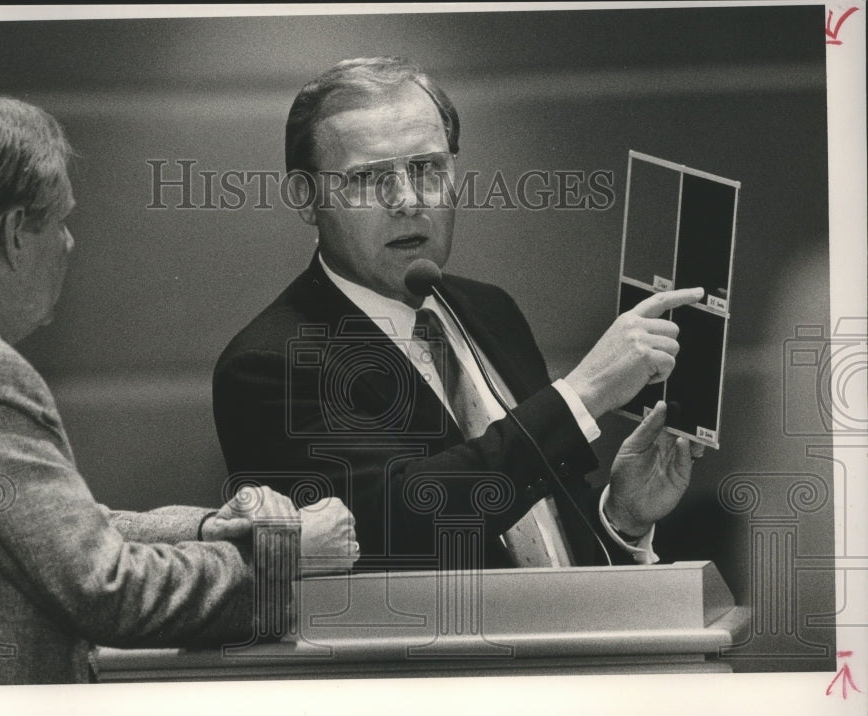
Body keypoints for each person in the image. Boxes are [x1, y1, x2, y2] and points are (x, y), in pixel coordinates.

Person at [0, 88, 357, 686]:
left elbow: (49, 532)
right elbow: (104, 588)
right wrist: (282, 559)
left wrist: (209, 527)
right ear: (14, 234)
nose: (70, 244)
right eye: (62, 220)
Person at [213, 57, 704, 572]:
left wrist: (621, 515)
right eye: (369, 178)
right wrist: (584, 393)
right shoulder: (269, 364)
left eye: (427, 169)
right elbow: (402, 523)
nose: (406, 199)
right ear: (306, 198)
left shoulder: (489, 311)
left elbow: (528, 534)